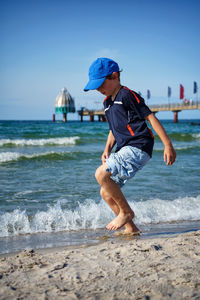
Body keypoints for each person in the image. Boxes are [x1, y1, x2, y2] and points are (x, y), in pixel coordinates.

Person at [84, 58, 176, 235]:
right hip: (125, 148)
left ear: (115, 76)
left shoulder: (127, 95)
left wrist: (168, 145)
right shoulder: (107, 103)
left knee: (100, 174)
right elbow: (113, 129)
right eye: (95, 86)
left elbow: (150, 117)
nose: (98, 89)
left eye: (101, 84)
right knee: (106, 193)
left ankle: (126, 212)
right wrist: (107, 149)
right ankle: (131, 228)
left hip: (139, 145)